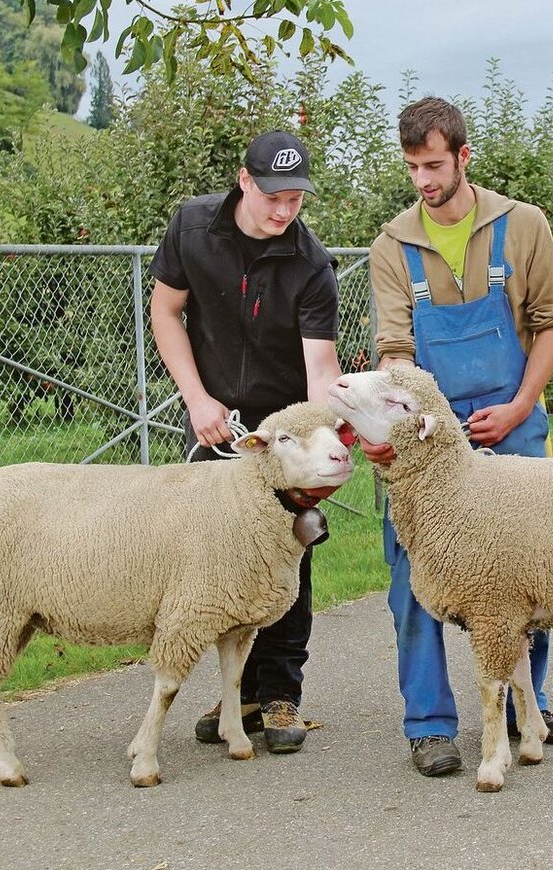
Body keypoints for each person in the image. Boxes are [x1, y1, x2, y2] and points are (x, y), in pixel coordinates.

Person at [364, 96, 553, 777]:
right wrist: (408, 428)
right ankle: (430, 724)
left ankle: (527, 707)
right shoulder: (392, 245)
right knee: (415, 573)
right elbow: (394, 351)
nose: (424, 181)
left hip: (512, 424)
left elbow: (551, 321)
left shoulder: (523, 226)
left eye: (434, 165)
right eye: (412, 168)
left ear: (464, 156)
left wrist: (519, 406)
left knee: (533, 567)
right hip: (429, 438)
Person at [148, 129, 342, 755]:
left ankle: (280, 691)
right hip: (214, 416)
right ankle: (238, 693)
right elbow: (166, 312)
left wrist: (322, 438)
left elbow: (320, 369)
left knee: (291, 554)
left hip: (285, 429)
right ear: (244, 181)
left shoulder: (311, 264)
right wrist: (196, 398)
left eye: (297, 199)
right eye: (274, 197)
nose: (286, 211)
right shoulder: (192, 227)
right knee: (214, 560)